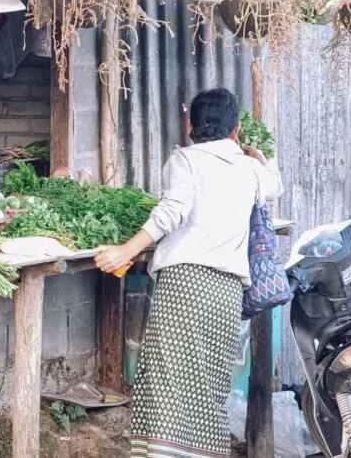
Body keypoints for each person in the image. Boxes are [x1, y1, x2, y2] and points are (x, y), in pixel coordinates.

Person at [94, 88, 282, 458]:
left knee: (166, 383)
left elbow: (171, 211)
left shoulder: (186, 160)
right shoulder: (250, 169)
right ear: (236, 130)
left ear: (190, 124)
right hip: (227, 294)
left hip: (185, 285)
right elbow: (274, 185)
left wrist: (125, 251)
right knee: (209, 387)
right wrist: (260, 157)